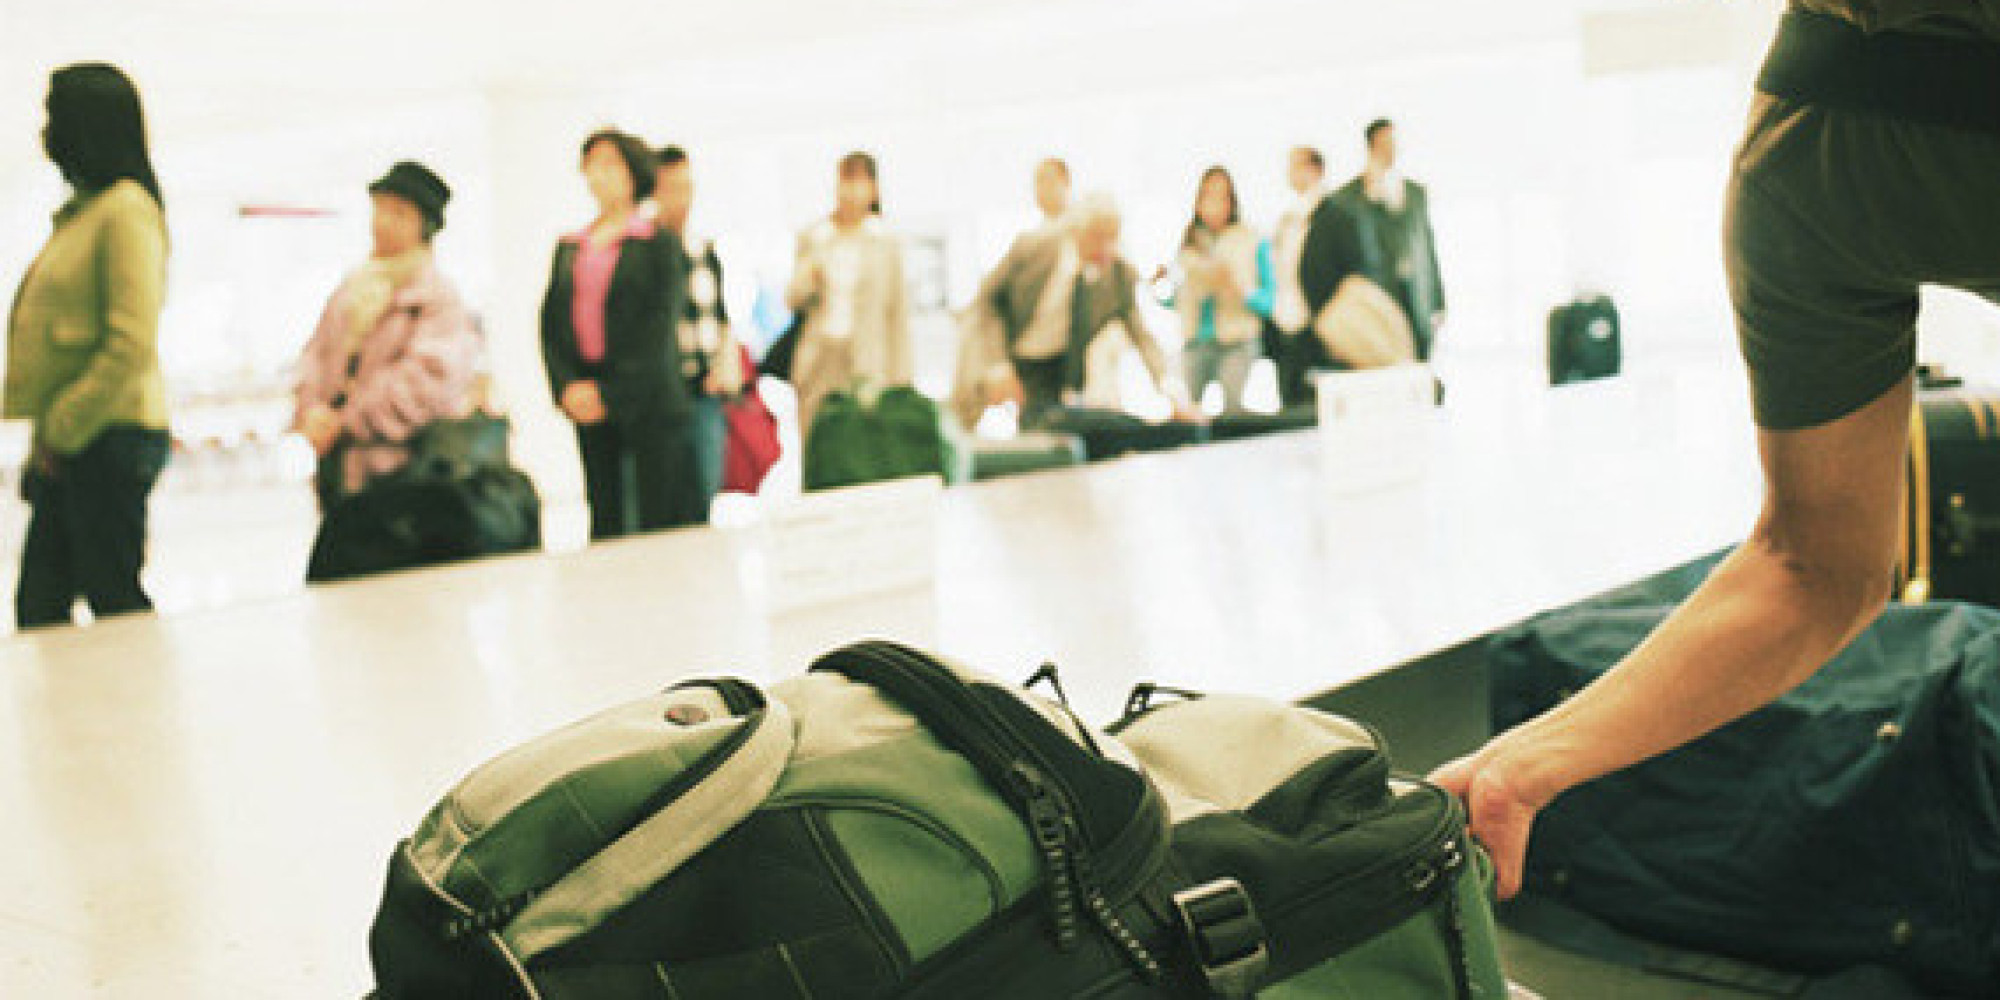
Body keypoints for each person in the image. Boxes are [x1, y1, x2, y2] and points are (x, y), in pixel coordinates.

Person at [1432, 3, 2000, 901]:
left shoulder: (1802, 162)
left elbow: (1811, 568)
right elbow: (1811, 565)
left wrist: (1526, 763)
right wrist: (1525, 764)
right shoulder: (1809, 168)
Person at [5, 63, 171, 629]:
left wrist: (62, 428)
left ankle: (141, 714)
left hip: (109, 435)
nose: (46, 131)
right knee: (45, 607)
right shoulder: (87, 214)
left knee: (110, 597)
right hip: (80, 438)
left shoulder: (126, 212)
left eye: (54, 116)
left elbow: (130, 341)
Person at [540, 129, 704, 540]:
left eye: (610, 163)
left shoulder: (658, 244)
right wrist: (568, 386)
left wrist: (609, 394)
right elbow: (551, 323)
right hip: (588, 398)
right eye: (592, 165)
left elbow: (656, 329)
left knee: (657, 522)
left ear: (634, 172)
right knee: (606, 518)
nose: (599, 175)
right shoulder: (570, 246)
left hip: (649, 400)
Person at [294, 162, 481, 511]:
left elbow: (425, 384)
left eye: (398, 214)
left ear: (424, 226)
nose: (382, 223)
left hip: (405, 478)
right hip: (338, 469)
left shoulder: (437, 298)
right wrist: (312, 412)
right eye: (379, 209)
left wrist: (346, 421)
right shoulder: (351, 288)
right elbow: (314, 356)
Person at [967, 193, 1193, 428]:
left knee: (1044, 430)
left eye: (1112, 238)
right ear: (1075, 232)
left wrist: (1172, 392)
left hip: (1055, 364)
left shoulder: (1118, 276)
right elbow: (987, 299)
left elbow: (1143, 337)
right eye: (1098, 237)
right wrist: (997, 364)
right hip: (1007, 352)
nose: (1106, 247)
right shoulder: (1032, 246)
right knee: (970, 425)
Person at [784, 151, 912, 438]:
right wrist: (810, 276)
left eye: (859, 182)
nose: (851, 191)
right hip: (819, 360)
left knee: (863, 449)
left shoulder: (886, 242)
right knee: (818, 445)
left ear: (873, 189)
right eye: (845, 181)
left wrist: (902, 380)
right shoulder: (814, 236)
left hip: (869, 363)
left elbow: (897, 315)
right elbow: (792, 299)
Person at [653, 145, 744, 506]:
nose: (682, 199)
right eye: (672, 188)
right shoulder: (643, 250)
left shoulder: (704, 251)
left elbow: (719, 317)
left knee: (705, 492)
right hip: (661, 397)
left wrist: (723, 368)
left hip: (705, 392)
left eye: (687, 187)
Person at [1332, 119, 1446, 360]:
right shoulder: (1348, 196)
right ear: (1371, 146)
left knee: (1421, 371)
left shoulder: (1415, 192)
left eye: (1394, 143)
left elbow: (1428, 248)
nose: (1391, 149)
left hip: (1418, 300)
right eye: (1384, 143)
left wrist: (1438, 301)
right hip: (1377, 304)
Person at [1173, 166, 1272, 415]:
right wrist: (1160, 288)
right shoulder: (1189, 243)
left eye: (1222, 196)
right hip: (1195, 342)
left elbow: (1269, 301)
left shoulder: (1252, 239)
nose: (1215, 204)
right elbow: (1175, 301)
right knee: (1188, 413)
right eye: (1208, 196)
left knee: (1232, 412)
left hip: (1237, 341)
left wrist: (1240, 289)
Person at [1271, 146, 1331, 406]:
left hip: (1317, 323)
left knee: (1312, 404)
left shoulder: (1332, 213)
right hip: (1287, 323)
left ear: (1315, 169)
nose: (1288, 173)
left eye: (1294, 165)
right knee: (1289, 399)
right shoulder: (1288, 216)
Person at [1032, 157, 1073, 228]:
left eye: (1048, 182)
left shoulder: (1084, 225)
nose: (1041, 190)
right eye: (1037, 183)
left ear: (1066, 182)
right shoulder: (1039, 232)